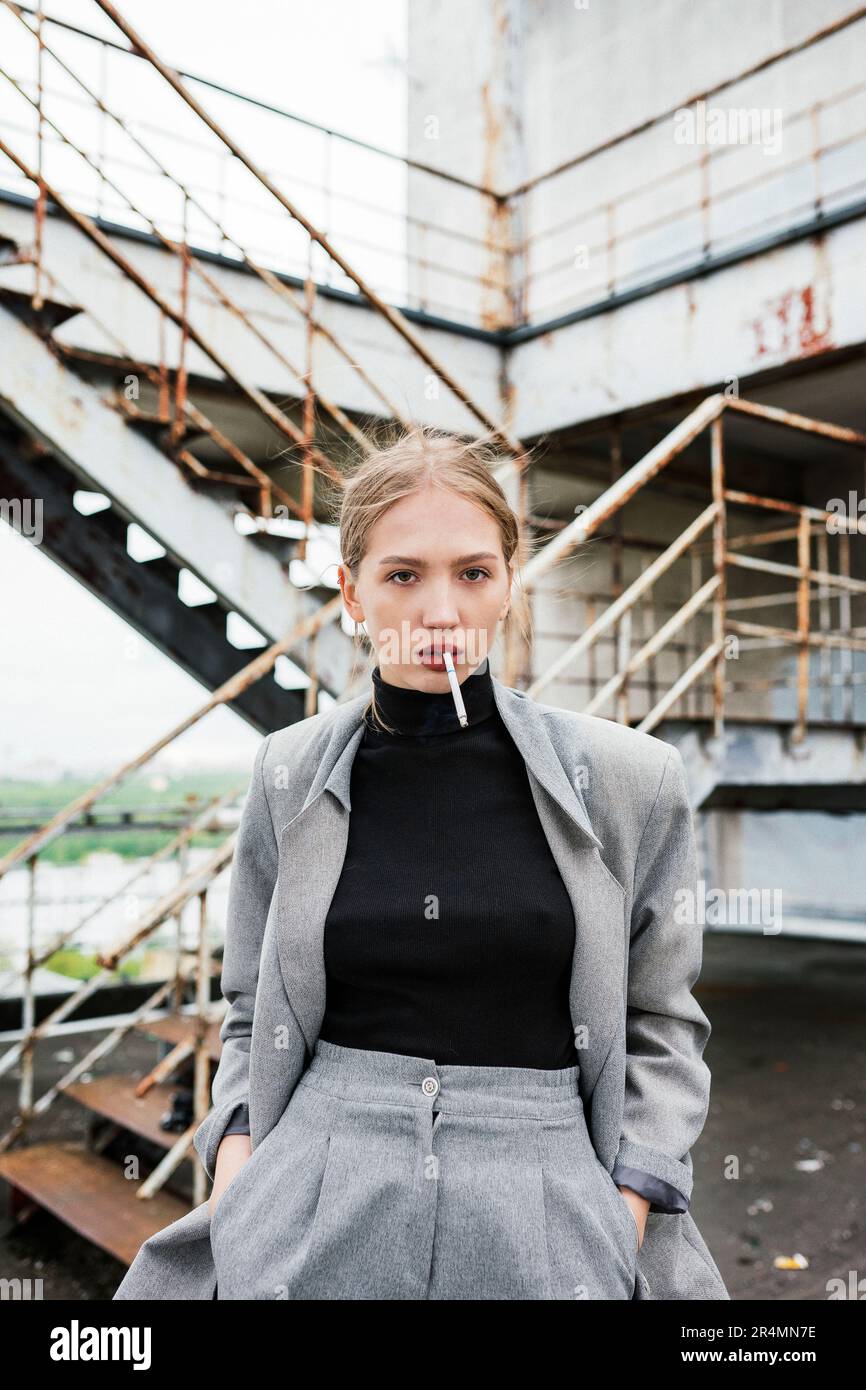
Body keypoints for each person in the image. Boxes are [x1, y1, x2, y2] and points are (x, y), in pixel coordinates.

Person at [115, 425, 729, 1300]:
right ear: (352, 594)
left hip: (550, 1204)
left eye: (473, 573)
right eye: (403, 574)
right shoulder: (286, 774)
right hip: (312, 1192)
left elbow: (662, 1022)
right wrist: (240, 1176)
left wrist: (623, 1210)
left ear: (509, 585)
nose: (439, 611)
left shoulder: (630, 780)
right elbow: (252, 1007)